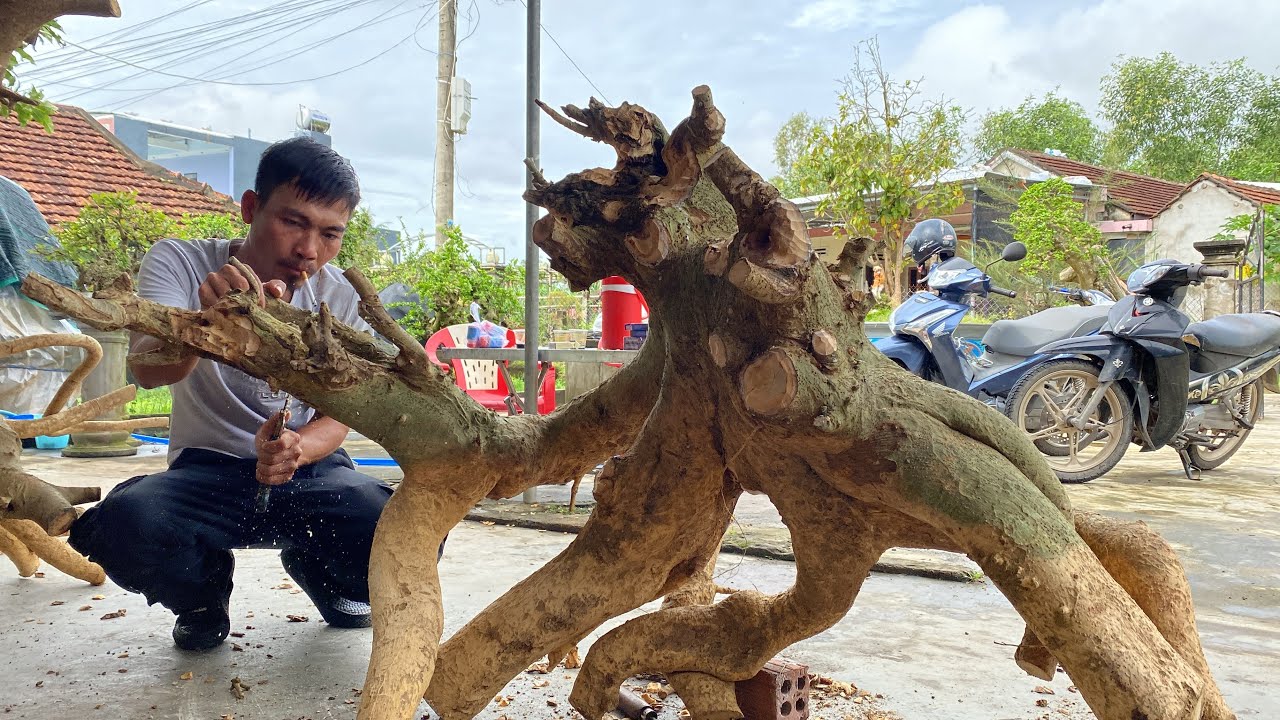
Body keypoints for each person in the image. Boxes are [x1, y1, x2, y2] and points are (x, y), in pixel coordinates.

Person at [70, 137, 411, 652]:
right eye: (293, 222)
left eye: (330, 233)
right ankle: (202, 596)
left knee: (399, 532)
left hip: (312, 471)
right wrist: (206, 326)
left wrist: (299, 448)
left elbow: (342, 413)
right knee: (125, 525)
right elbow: (145, 370)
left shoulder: (340, 295)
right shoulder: (181, 263)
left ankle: (319, 569)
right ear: (251, 208)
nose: (309, 250)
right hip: (204, 473)